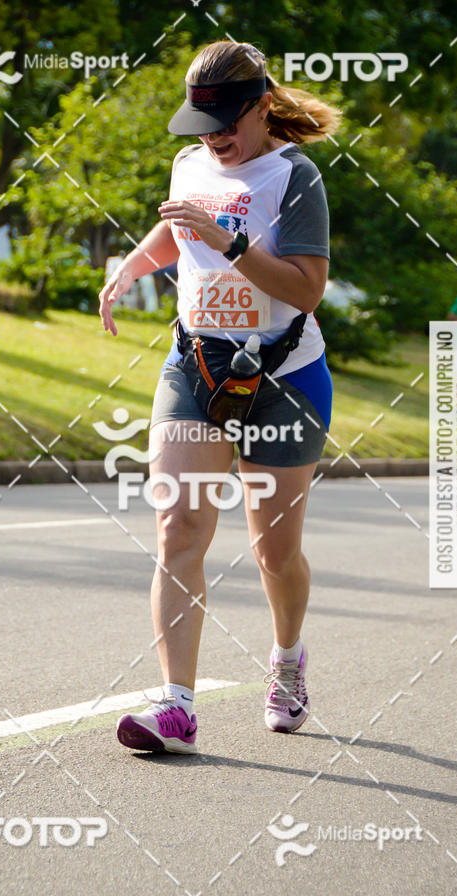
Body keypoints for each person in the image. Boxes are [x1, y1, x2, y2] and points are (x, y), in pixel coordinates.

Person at [99, 40, 341, 753]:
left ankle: (288, 659)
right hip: (195, 368)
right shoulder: (191, 161)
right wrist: (134, 264)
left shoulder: (295, 177)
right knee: (178, 529)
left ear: (262, 106)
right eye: (201, 125)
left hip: (283, 380)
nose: (213, 139)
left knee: (274, 552)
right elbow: (180, 228)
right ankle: (175, 706)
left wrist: (229, 245)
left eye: (226, 123)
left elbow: (304, 287)